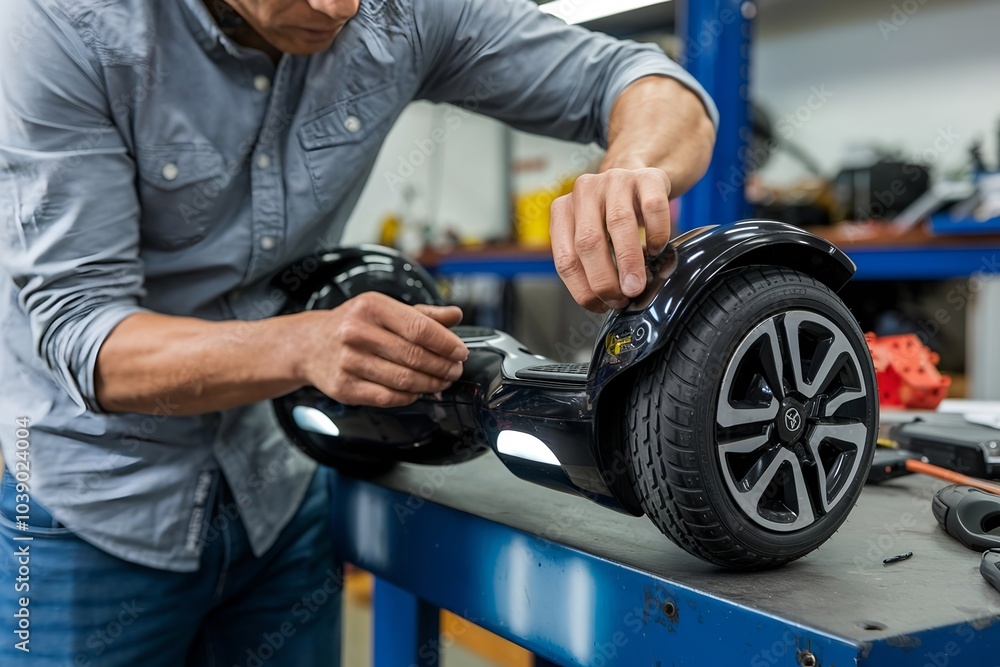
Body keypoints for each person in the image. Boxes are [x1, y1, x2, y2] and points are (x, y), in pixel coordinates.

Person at [0, 0, 717, 664]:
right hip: (90, 512)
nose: (339, 10)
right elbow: (83, 337)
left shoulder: (396, 12)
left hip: (277, 491)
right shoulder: (66, 28)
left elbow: (643, 80)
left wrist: (630, 170)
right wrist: (301, 344)